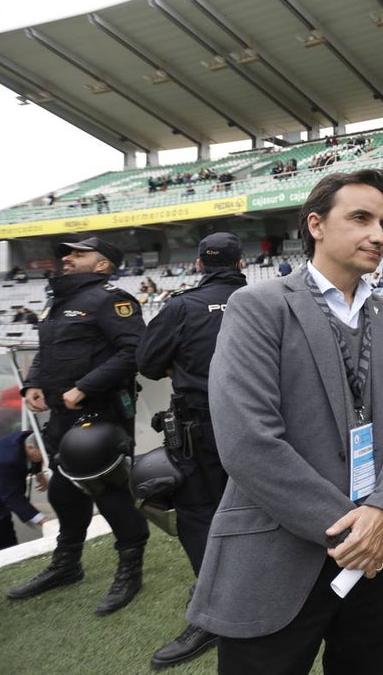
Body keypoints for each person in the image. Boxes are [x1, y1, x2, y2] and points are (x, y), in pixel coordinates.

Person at [186, 170, 383, 675]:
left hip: (373, 556)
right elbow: (249, 442)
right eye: (360, 218)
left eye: (382, 221)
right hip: (280, 554)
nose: (379, 234)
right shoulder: (257, 306)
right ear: (315, 225)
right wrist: (352, 532)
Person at [10, 237, 150, 617]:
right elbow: (46, 351)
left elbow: (133, 352)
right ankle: (67, 564)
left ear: (103, 264)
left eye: (78, 254)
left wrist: (83, 388)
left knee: (111, 494)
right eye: (66, 254)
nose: (67, 259)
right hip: (61, 416)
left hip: (101, 415)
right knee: (63, 491)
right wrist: (32, 382)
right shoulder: (59, 301)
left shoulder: (111, 299)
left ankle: (130, 570)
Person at [136, 233, 247, 670]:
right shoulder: (267, 298)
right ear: (240, 264)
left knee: (201, 513)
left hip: (201, 429)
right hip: (265, 427)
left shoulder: (182, 306)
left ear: (200, 264)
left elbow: (147, 363)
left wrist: (180, 363)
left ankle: (216, 610)